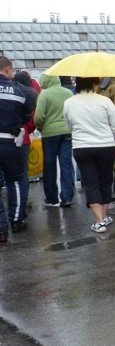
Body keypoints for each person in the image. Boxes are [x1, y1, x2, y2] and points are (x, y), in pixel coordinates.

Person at [63, 77, 115, 233]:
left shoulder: (69, 102)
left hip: (82, 147)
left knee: (90, 182)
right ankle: (103, 216)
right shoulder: (104, 101)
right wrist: (111, 139)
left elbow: (68, 123)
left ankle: (99, 221)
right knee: (105, 180)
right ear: (94, 84)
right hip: (105, 146)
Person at [0, 57, 35, 240]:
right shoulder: (20, 91)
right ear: (7, 69)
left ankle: (0, 228)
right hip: (9, 142)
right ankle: (16, 220)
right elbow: (26, 117)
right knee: (15, 181)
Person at [34, 74, 75, 207]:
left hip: (49, 133)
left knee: (49, 166)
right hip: (66, 132)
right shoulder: (68, 92)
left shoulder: (44, 94)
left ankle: (52, 198)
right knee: (66, 164)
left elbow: (38, 116)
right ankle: (67, 196)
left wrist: (41, 128)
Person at [11, 70, 39, 226]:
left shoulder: (14, 91)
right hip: (24, 137)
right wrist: (29, 129)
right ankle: (20, 211)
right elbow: (32, 118)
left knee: (10, 179)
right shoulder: (31, 92)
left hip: (8, 138)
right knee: (22, 175)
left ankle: (13, 212)